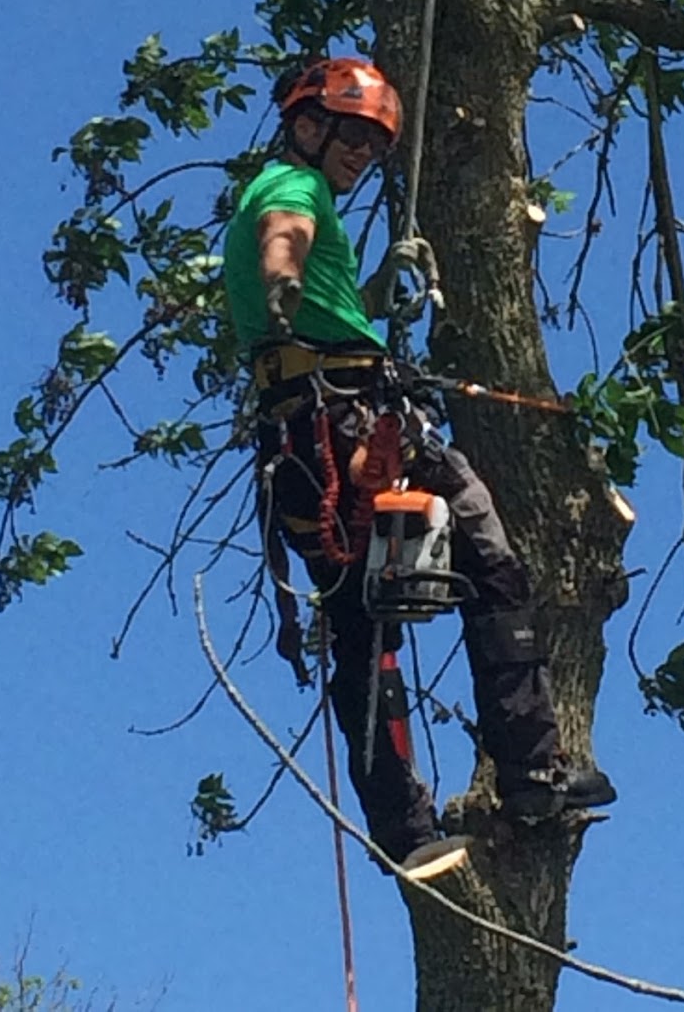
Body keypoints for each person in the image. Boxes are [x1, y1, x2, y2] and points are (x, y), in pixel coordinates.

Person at [223, 57, 615, 864]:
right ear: (305, 127)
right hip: (347, 421)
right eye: (351, 135)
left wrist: (371, 295)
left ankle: (405, 828)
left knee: (363, 619)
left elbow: (315, 288)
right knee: (488, 554)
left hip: (306, 433)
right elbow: (282, 242)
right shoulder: (288, 191)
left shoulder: (301, 195)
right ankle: (534, 767)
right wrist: (283, 284)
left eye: (374, 143)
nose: (362, 153)